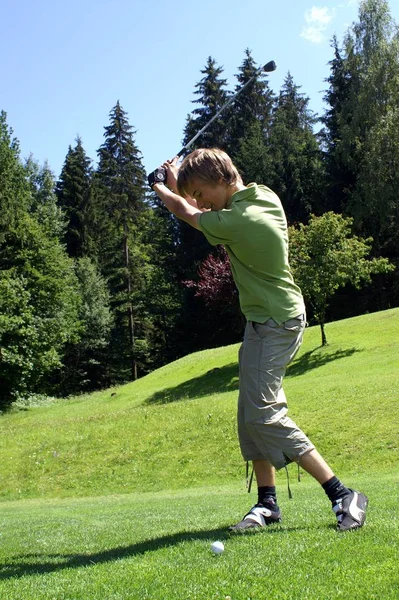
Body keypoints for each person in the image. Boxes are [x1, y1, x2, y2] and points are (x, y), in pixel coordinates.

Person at [150, 148, 368, 532]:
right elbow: (198, 207)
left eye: (202, 191)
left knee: (265, 413)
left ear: (221, 178)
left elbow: (187, 213)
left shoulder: (243, 218)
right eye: (196, 195)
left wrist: (161, 187)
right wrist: (181, 182)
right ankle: (267, 504)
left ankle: (342, 494)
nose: (200, 200)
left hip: (276, 322)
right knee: (249, 415)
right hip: (264, 320)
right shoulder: (262, 196)